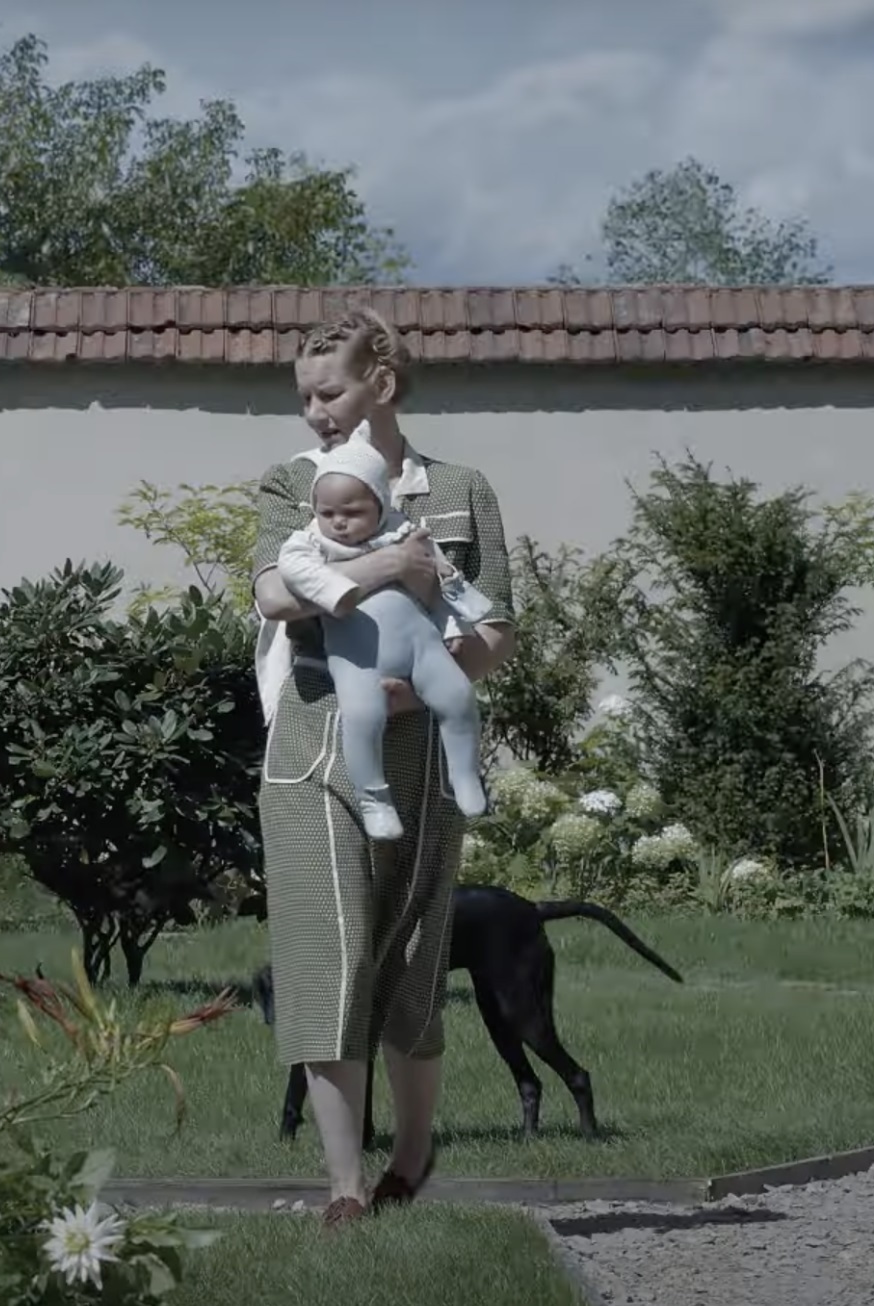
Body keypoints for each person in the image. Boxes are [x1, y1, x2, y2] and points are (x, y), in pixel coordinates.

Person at [250, 306, 516, 1228]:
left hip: (426, 763)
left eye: (329, 393)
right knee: (329, 955)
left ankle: (411, 1151)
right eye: (305, 399)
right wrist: (387, 568)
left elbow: (497, 629)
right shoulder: (293, 486)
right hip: (311, 747)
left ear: (383, 385)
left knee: (408, 960)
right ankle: (344, 1186)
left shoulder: (464, 490)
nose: (315, 414)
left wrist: (434, 681)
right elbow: (277, 592)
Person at [274, 422, 491, 840]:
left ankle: (465, 774)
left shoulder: (404, 532)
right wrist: (339, 589)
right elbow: (292, 570)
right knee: (361, 715)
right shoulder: (311, 543)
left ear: (379, 503)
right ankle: (373, 798)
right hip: (355, 654)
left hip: (420, 643)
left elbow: (443, 579)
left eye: (353, 512)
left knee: (458, 696)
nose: (338, 523)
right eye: (327, 513)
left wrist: (450, 625)